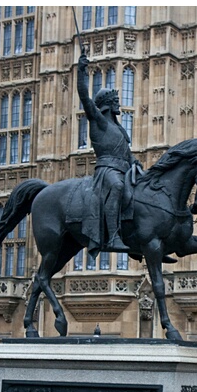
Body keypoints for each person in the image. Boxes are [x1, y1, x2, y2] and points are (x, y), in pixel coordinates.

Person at [77, 50, 137, 253]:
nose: (118, 104)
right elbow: (85, 98)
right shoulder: (99, 122)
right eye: (115, 101)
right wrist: (81, 71)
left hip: (124, 168)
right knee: (118, 187)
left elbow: (126, 153)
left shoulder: (118, 129)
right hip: (107, 171)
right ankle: (112, 237)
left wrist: (135, 162)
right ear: (108, 105)